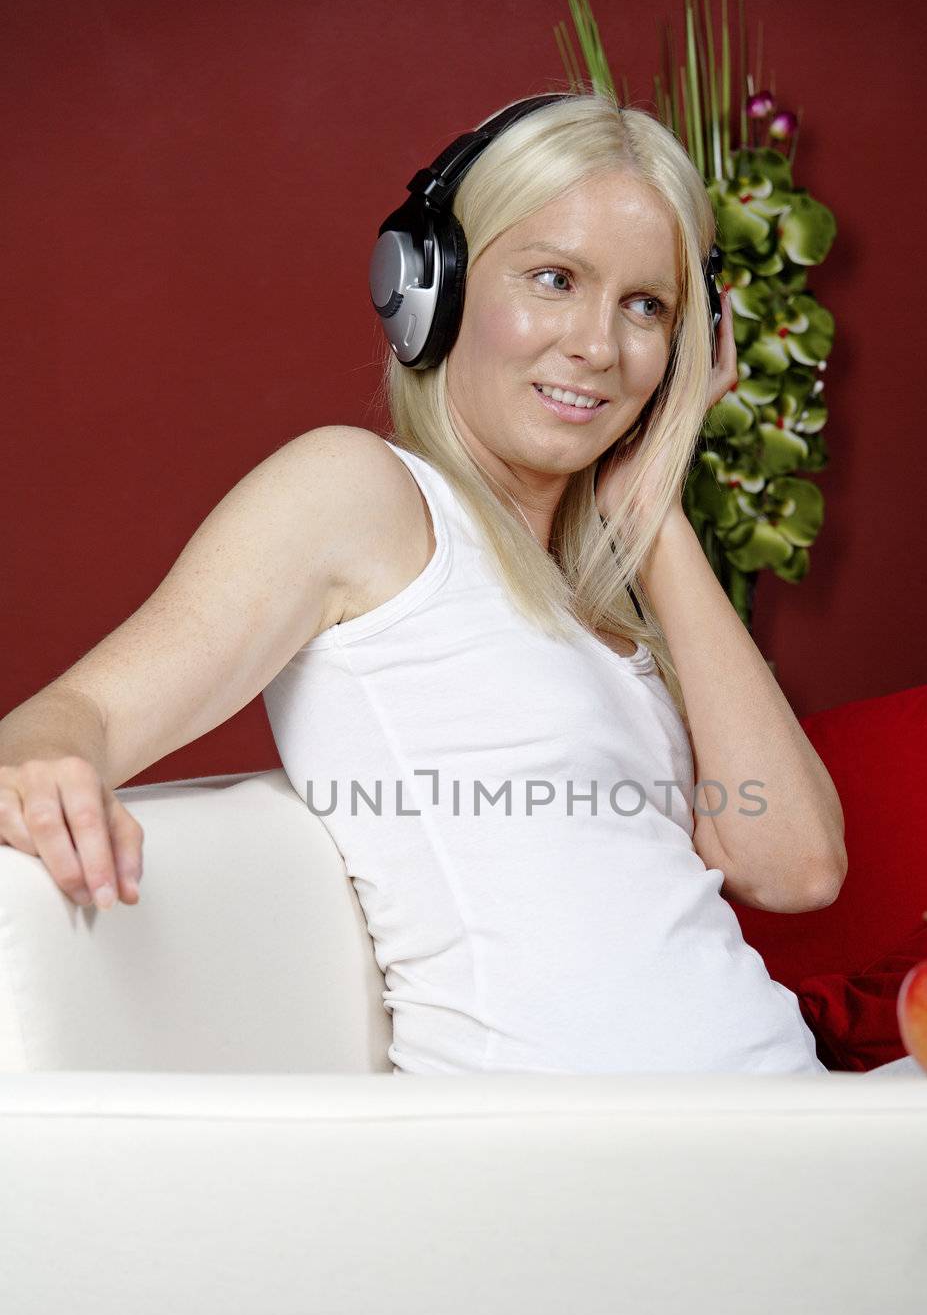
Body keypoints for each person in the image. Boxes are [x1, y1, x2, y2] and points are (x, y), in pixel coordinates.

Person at [0, 88, 845, 1078]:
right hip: (598, 1168)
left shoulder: (604, 601)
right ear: (431, 285)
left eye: (645, 306)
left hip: (787, 1119)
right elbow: (70, 719)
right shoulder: (362, 498)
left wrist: (653, 510)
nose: (599, 345)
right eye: (553, 277)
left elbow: (796, 866)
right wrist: (45, 762)